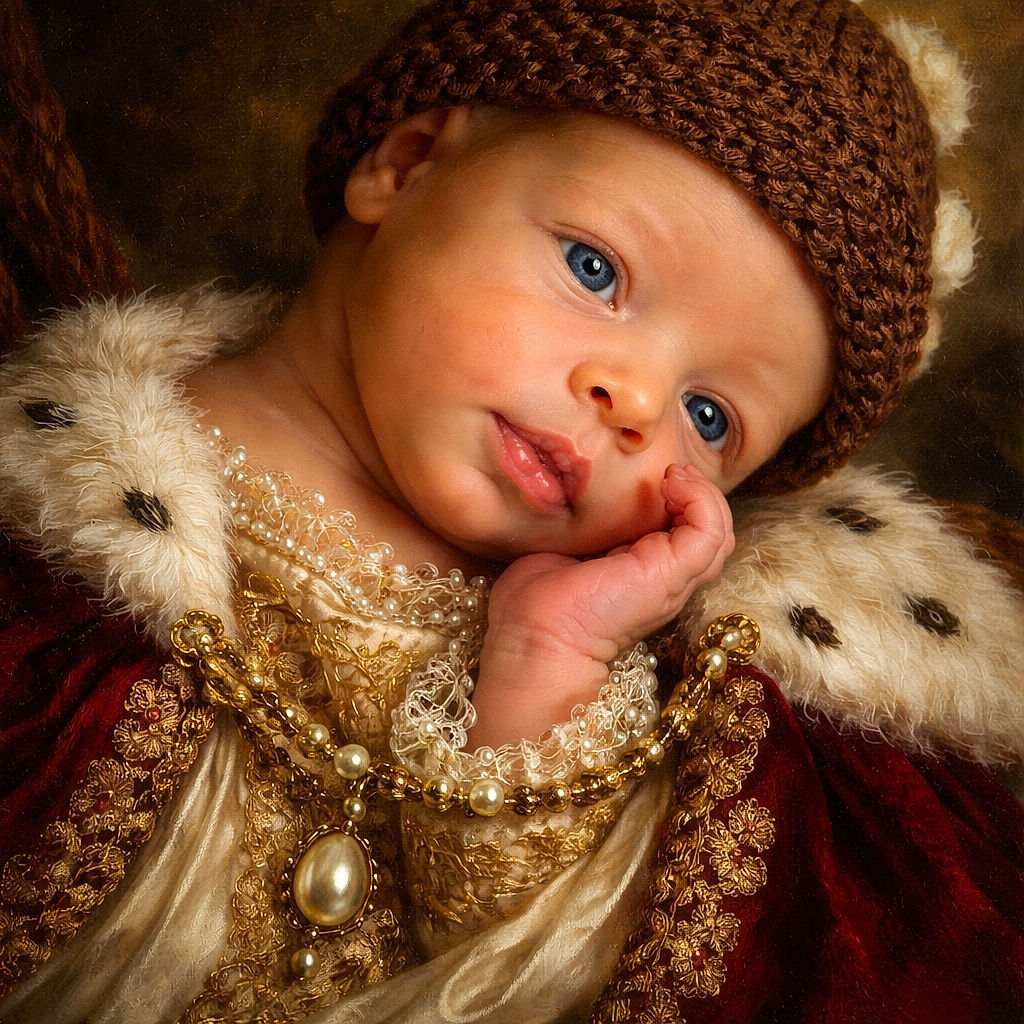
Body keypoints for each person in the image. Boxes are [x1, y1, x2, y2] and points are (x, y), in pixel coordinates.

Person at [0, 0, 1021, 1021]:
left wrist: (546, 659)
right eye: (594, 270)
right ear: (405, 166)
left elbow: (525, 980)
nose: (634, 403)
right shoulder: (55, 500)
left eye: (708, 417)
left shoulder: (633, 689)